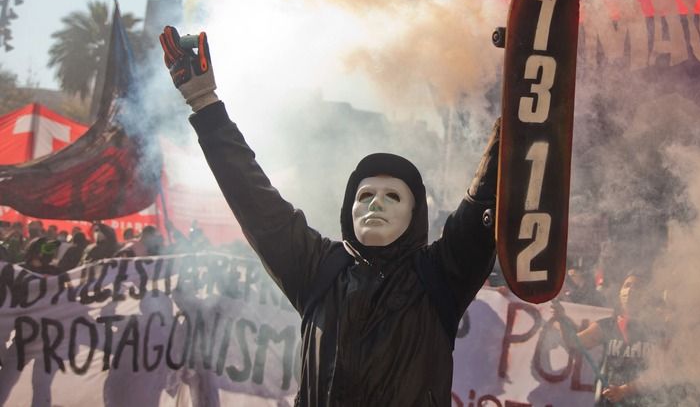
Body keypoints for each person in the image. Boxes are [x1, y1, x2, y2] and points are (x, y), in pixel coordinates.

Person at [160, 26, 498, 406]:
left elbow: (484, 201)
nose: (375, 204)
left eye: (392, 196)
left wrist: (517, 117)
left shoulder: (439, 275)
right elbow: (256, 203)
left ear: (414, 216)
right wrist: (205, 104)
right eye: (365, 195)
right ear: (348, 210)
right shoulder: (319, 268)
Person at [551, 271, 666, 406]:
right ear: (620, 292)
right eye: (627, 285)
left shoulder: (658, 330)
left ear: (647, 295)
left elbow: (663, 372)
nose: (630, 291)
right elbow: (573, 344)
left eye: (637, 286)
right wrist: (562, 319)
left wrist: (625, 390)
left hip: (645, 402)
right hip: (610, 401)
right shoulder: (608, 325)